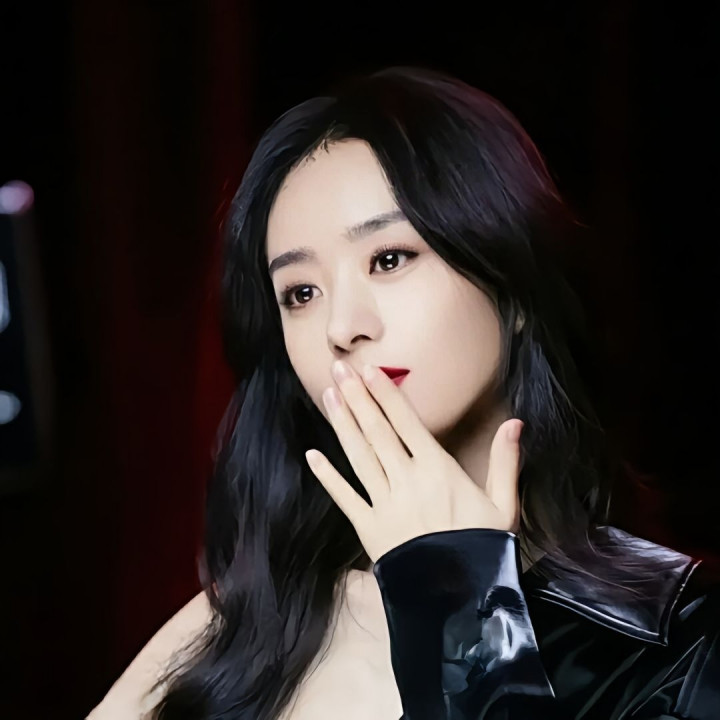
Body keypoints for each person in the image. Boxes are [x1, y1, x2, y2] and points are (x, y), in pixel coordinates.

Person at [87, 66, 720, 720]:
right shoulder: (242, 630)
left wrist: (459, 603)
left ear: (511, 283)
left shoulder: (681, 642)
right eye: (300, 293)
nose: (341, 328)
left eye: (388, 259)